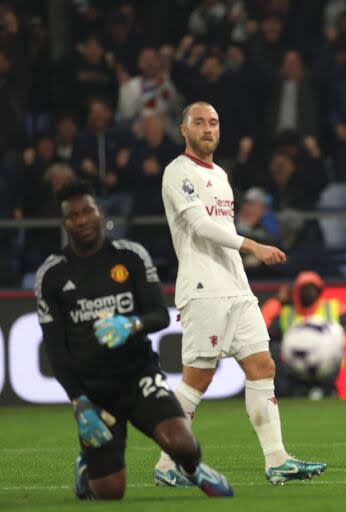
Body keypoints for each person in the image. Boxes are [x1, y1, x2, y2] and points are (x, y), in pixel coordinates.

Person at [155, 101, 327, 486]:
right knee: (197, 378)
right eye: (198, 122)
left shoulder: (219, 174)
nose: (207, 128)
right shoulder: (178, 172)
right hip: (204, 288)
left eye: (213, 122)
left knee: (262, 367)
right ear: (183, 129)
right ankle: (167, 464)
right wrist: (254, 246)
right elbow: (199, 227)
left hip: (235, 288)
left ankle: (276, 459)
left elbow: (220, 228)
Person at [34, 180, 233, 499]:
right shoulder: (52, 275)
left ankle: (194, 469)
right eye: (74, 215)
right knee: (110, 493)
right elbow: (57, 351)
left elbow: (160, 315)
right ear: (64, 223)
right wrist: (79, 403)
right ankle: (87, 464)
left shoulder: (131, 256)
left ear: (100, 213)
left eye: (88, 211)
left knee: (182, 444)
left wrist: (132, 323)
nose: (82, 219)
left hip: (138, 376)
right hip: (94, 391)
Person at [261, 271, 346, 398]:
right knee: (274, 349)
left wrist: (340, 329)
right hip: (295, 373)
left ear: (320, 291)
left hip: (326, 370)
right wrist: (278, 301)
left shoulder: (331, 308)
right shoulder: (287, 313)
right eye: (305, 289)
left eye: (312, 289)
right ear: (296, 291)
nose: (309, 293)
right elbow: (261, 327)